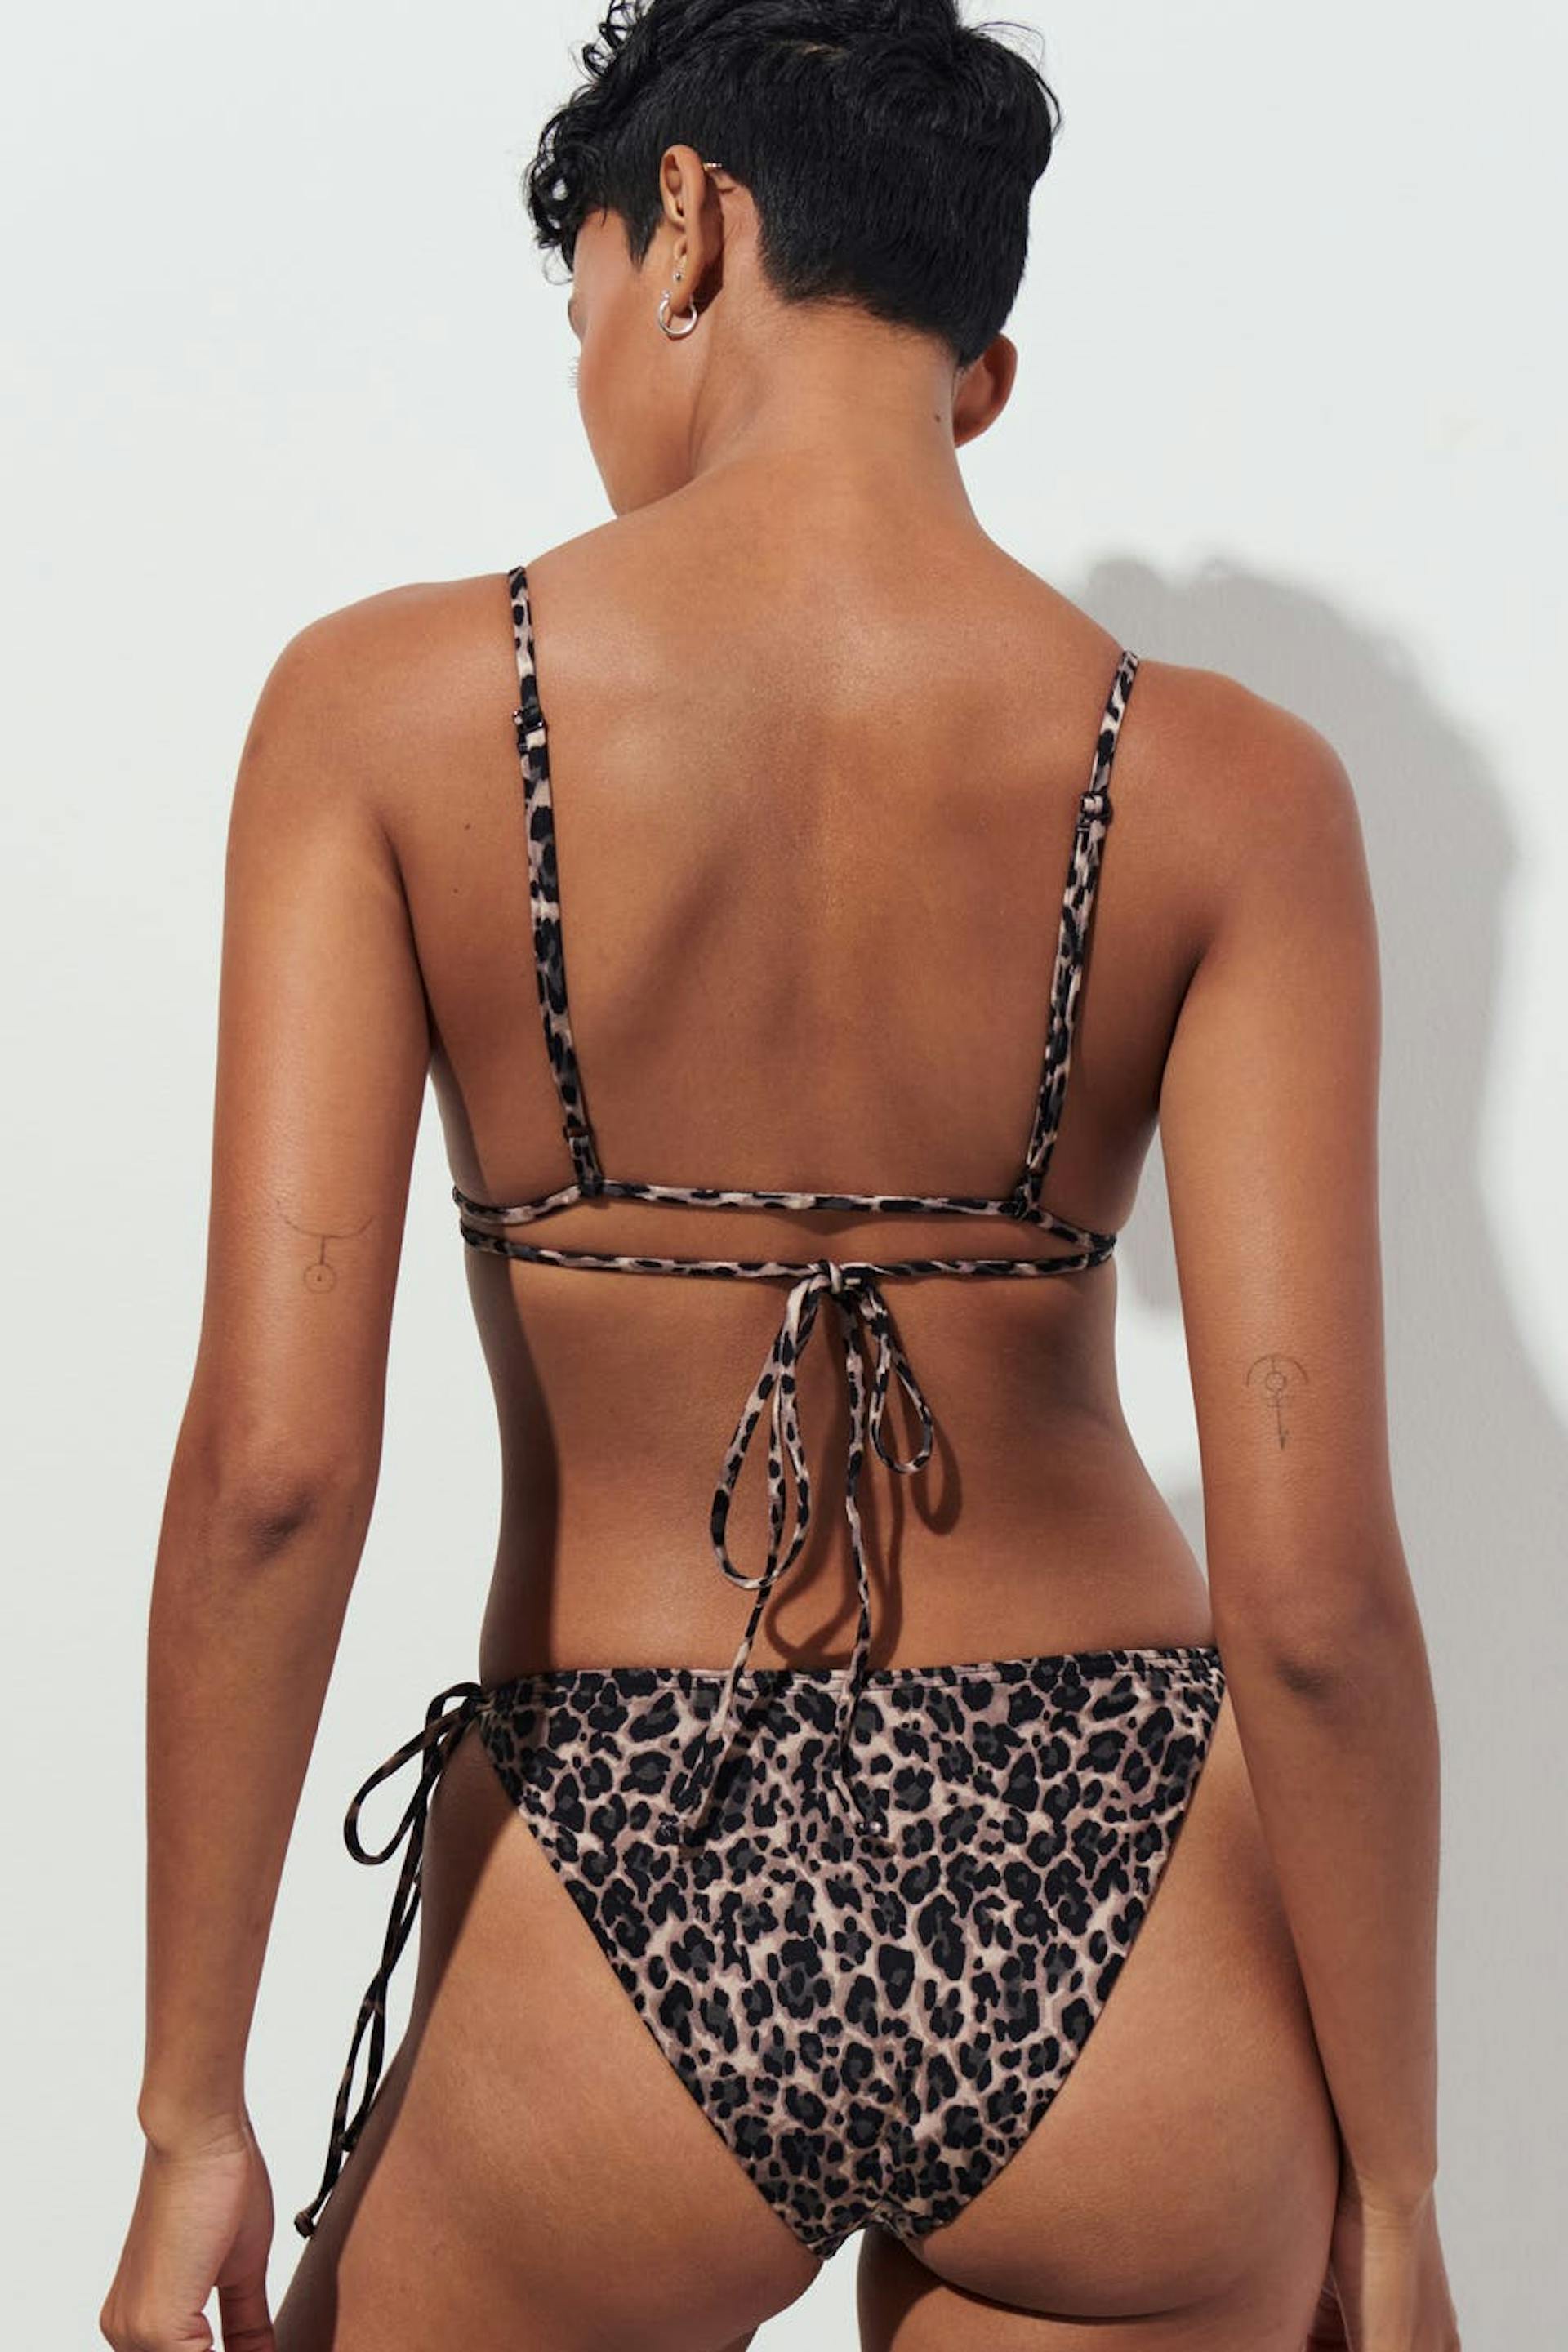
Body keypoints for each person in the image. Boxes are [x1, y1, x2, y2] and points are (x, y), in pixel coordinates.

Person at [101, 3, 1461, 2348]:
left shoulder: (390, 716)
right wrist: (1406, 2189)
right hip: (1123, 1892)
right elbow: (1319, 1599)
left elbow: (277, 1476)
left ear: (688, 229)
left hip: (623, 1862)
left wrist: (189, 2115)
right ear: (977, 376)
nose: (590, 384)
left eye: (583, 310)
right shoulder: (1235, 791)